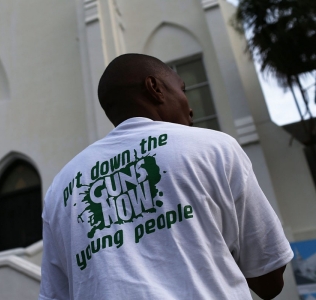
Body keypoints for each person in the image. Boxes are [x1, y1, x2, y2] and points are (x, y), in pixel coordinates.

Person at [39, 53, 293, 300]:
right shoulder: (214, 148)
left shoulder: (61, 188)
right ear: (154, 88)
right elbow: (269, 278)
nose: (190, 108)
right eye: (183, 90)